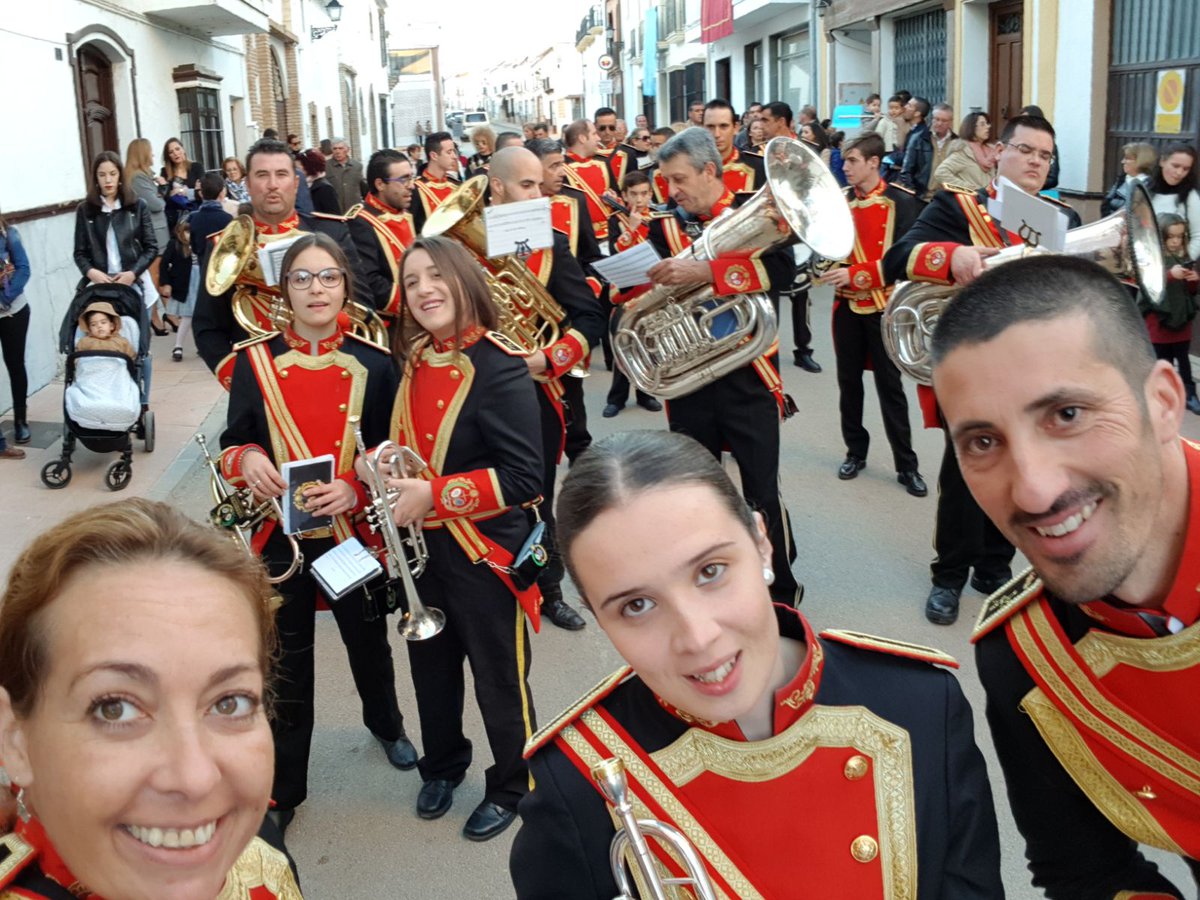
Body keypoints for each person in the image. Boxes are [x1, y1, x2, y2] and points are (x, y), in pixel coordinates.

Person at [509, 429, 1004, 899]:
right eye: (636, 605)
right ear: (598, 616)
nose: (697, 637)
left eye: (710, 571)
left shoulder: (921, 704)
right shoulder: (573, 783)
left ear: (762, 541)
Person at [929, 255, 1200, 898]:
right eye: (984, 442)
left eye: (1067, 415)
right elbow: (1084, 872)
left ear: (1163, 402)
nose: (1033, 489)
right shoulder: (1022, 657)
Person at [0, 498, 302, 899]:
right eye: (114, 708)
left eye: (230, 702)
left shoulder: (260, 864)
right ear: (15, 740)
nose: (195, 779)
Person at [220, 232, 415, 836]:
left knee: (368, 641)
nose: (316, 289)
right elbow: (235, 440)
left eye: (328, 277)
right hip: (281, 538)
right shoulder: (254, 362)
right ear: (285, 291)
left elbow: (388, 452)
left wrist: (357, 491)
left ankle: (387, 724)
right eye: (302, 278)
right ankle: (284, 793)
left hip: (349, 533)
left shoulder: (376, 363)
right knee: (287, 662)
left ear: (345, 287)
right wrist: (247, 459)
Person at [884, 114, 1082, 627]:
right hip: (973, 372)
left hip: (1035, 375)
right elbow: (896, 257)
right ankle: (948, 576)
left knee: (1024, 475)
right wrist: (954, 256)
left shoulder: (1063, 221)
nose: (1036, 161)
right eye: (1026, 150)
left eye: (1045, 155)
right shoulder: (958, 205)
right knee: (965, 477)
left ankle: (994, 569)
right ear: (998, 153)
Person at [384, 234, 543, 842]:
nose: (424, 289)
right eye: (413, 279)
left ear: (463, 280)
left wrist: (435, 494)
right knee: (431, 667)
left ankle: (512, 784)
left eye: (435, 276)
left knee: (498, 677)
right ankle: (443, 764)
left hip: (485, 551)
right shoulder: (417, 357)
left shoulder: (500, 366)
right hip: (422, 551)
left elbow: (526, 477)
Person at [630, 127, 803, 606]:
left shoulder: (755, 210)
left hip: (749, 374)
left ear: (710, 170)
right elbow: (642, 291)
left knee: (761, 491)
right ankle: (710, 578)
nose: (671, 190)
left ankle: (781, 589)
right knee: (696, 491)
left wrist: (706, 272)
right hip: (689, 379)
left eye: (679, 178)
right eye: (665, 181)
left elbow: (784, 273)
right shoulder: (662, 225)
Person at [477, 147, 607, 630]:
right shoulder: (457, 245)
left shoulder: (552, 243)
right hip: (473, 393)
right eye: (528, 185)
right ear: (497, 186)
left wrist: (550, 358)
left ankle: (549, 590)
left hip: (536, 391)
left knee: (536, 496)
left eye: (540, 183)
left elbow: (590, 315)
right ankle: (487, 582)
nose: (541, 192)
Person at [193, 137, 367, 388]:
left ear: (295, 183)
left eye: (282, 174)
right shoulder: (224, 244)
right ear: (248, 184)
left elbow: (362, 303)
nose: (272, 185)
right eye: (262, 175)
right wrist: (241, 381)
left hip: (331, 375)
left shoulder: (332, 232)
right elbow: (207, 326)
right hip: (258, 382)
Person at [820, 132, 926, 496]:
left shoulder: (902, 202)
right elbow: (829, 248)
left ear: (873, 163)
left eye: (851, 161)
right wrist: (828, 265)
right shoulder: (840, 202)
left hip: (883, 307)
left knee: (890, 389)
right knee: (849, 385)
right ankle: (855, 452)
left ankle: (906, 464)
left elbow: (905, 261)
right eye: (845, 161)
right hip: (847, 306)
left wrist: (856, 273)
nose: (844, 167)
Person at [73, 150, 157, 409]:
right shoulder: (85, 210)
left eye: (112, 173)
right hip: (100, 286)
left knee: (137, 346)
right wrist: (91, 273)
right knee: (98, 340)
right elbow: (79, 252)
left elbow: (151, 246)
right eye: (102, 175)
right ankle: (101, 395)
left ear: (120, 175)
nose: (108, 180)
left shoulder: (136, 206)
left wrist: (133, 273)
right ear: (95, 179)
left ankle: (139, 399)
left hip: (134, 283)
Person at [602, 170, 667, 418]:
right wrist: (630, 229)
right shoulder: (616, 220)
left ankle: (645, 392)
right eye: (633, 194)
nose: (639, 200)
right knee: (623, 342)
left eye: (643, 193)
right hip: (626, 291)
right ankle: (616, 397)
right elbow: (615, 253)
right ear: (624, 196)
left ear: (650, 193)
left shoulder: (660, 220)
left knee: (650, 343)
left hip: (653, 288)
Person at [347, 149, 416, 319]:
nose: (412, 185)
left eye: (411, 177)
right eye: (403, 179)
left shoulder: (404, 211)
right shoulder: (360, 222)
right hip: (393, 320)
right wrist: (416, 301)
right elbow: (370, 282)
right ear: (380, 184)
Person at [1144, 212, 1200, 414]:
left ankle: (1189, 394)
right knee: (1162, 362)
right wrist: (1170, 275)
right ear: (1161, 236)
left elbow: (1190, 293)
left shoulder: (1183, 258)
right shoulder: (1151, 259)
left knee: (1183, 361)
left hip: (1181, 322)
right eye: (1171, 237)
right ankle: (1161, 395)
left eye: (1179, 237)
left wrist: (1193, 281)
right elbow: (1148, 287)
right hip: (1159, 322)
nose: (1176, 242)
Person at [124, 138, 170, 335]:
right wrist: (162, 191)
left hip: (159, 231)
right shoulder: (138, 178)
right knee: (154, 277)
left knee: (158, 276)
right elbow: (156, 204)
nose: (153, 155)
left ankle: (162, 317)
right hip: (154, 234)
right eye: (150, 151)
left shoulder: (144, 176)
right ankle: (157, 318)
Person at [0, 206, 31, 454]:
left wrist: (4, 298)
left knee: (15, 364)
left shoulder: (9, 234)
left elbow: (23, 268)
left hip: (13, 311)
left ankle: (20, 420)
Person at [562, 119, 616, 243]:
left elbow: (616, 193)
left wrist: (614, 199)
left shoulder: (603, 162)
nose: (598, 138)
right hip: (583, 239)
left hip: (609, 234)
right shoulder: (562, 168)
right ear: (582, 138)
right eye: (594, 134)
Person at [1147, 142, 1200, 260]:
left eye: (1186, 169)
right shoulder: (1144, 190)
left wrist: (1183, 263)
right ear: (1162, 161)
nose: (1179, 173)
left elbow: (1198, 236)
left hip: (1175, 268)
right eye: (1175, 166)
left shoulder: (1191, 196)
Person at [703, 99, 765, 193]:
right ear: (702, 128)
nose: (717, 134)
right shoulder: (691, 168)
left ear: (735, 127)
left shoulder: (758, 166)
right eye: (710, 127)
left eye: (723, 126)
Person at [933, 111, 999, 194]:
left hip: (988, 201)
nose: (988, 127)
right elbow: (941, 173)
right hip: (969, 203)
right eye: (982, 124)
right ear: (971, 128)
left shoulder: (991, 151)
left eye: (987, 123)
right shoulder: (963, 151)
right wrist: (970, 189)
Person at [158, 216, 195, 361]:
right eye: (186, 231)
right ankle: (178, 345)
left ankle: (200, 345)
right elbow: (163, 264)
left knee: (199, 317)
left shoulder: (199, 244)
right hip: (185, 284)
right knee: (187, 316)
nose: (189, 234)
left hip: (200, 282)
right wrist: (165, 283)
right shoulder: (175, 244)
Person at [411, 131, 461, 234]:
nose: (454, 156)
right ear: (434, 156)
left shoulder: (456, 185)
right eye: (449, 152)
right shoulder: (415, 190)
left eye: (454, 151)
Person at [160, 137, 204, 232]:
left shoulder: (196, 167)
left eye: (177, 149)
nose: (175, 153)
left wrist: (180, 191)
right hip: (176, 219)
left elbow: (201, 192)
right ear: (168, 156)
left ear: (183, 149)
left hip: (196, 214)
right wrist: (192, 192)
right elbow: (167, 197)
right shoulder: (165, 172)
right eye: (171, 152)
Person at [1101, 141, 1157, 216]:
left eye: (1127, 158)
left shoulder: (1150, 185)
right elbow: (1105, 205)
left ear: (1141, 161)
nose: (1123, 161)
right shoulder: (1121, 180)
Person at [897, 97, 933, 197]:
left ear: (917, 113)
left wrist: (911, 190)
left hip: (916, 191)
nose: (905, 107)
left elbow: (909, 166)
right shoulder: (914, 132)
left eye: (909, 105)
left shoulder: (919, 136)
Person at [922, 103, 958, 198]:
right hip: (923, 196)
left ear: (951, 122)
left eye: (944, 120)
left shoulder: (957, 143)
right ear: (932, 119)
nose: (939, 123)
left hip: (947, 197)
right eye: (936, 119)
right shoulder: (920, 139)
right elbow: (908, 169)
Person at [296, 149, 340, 215]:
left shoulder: (325, 188)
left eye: (298, 168)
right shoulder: (302, 184)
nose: (296, 171)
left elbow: (333, 215)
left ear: (308, 167)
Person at [325, 138, 364, 214]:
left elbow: (363, 187)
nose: (337, 151)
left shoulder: (357, 166)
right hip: (335, 210)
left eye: (340, 148)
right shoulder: (325, 166)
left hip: (354, 211)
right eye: (335, 149)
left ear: (348, 150)